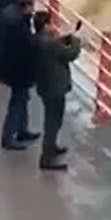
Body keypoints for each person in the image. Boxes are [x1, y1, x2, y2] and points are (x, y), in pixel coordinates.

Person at [0, 0, 41, 150]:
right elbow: (28, 44)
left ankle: (22, 130)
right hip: (18, 69)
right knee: (17, 102)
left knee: (22, 98)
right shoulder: (17, 23)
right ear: (26, 6)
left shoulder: (8, 14)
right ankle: (9, 137)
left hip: (8, 65)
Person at [34, 15, 81, 170]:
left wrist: (62, 38)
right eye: (51, 24)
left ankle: (51, 147)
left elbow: (56, 46)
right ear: (46, 26)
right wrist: (76, 40)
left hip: (45, 86)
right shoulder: (51, 44)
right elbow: (70, 54)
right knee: (53, 121)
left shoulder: (39, 41)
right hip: (55, 87)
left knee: (52, 119)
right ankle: (47, 158)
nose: (54, 26)